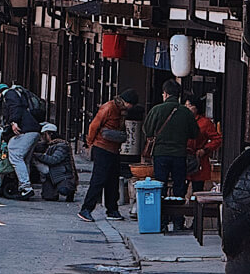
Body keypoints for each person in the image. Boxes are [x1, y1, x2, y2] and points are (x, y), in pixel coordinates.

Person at [144, 79, 199, 231]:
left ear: (166, 94)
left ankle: (161, 221)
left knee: (160, 186)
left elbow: (147, 130)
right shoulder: (186, 112)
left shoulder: (157, 110)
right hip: (180, 154)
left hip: (160, 154)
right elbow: (195, 133)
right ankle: (178, 221)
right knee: (179, 187)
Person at [78, 88, 138, 223]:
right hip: (102, 147)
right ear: (126, 102)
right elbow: (94, 126)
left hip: (113, 149)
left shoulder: (121, 111)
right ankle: (86, 209)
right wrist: (89, 143)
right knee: (99, 179)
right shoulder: (109, 107)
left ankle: (112, 209)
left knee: (112, 180)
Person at [0, 83, 41, 202]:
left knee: (15, 155)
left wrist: (14, 121)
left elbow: (15, 107)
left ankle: (26, 187)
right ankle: (23, 187)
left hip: (26, 130)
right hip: (33, 131)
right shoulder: (18, 95)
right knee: (25, 160)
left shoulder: (9, 94)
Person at [183, 94, 223, 192]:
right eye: (186, 105)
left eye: (189, 105)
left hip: (199, 159)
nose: (187, 108)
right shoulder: (182, 120)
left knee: (198, 189)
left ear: (196, 107)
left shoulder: (205, 122)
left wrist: (205, 149)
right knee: (180, 190)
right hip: (183, 157)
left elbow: (217, 139)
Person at [31, 126, 79, 202]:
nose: (42, 137)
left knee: (64, 190)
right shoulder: (49, 145)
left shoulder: (62, 146)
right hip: (51, 175)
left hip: (62, 175)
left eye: (44, 134)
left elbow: (54, 160)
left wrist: (38, 155)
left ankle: (69, 188)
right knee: (48, 197)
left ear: (50, 134)